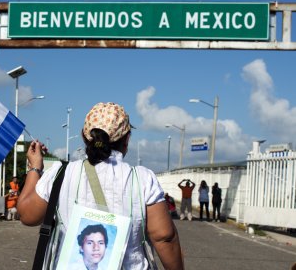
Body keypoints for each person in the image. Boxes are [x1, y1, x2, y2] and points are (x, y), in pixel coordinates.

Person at [17, 102, 183, 269]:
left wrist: (35, 168)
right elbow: (164, 237)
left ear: (84, 137)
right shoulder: (142, 179)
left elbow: (28, 216)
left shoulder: (61, 173)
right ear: (126, 139)